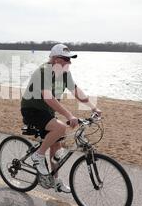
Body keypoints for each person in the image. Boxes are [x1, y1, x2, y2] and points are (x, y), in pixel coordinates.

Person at [21, 44, 102, 193]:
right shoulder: (44, 71)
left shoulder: (65, 74)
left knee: (56, 146)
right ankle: (38, 156)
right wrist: (69, 115)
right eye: (66, 59)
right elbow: (48, 97)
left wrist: (93, 107)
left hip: (46, 112)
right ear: (56, 60)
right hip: (32, 110)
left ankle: (55, 180)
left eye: (70, 59)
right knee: (60, 128)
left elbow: (76, 91)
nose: (69, 62)